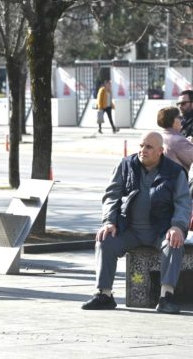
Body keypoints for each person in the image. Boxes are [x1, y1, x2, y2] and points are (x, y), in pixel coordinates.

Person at [81, 132, 191, 314]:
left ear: (160, 151)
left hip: (161, 230)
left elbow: (183, 203)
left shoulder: (175, 171)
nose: (142, 150)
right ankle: (104, 294)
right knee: (104, 240)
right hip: (128, 229)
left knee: (174, 242)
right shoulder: (125, 165)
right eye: (141, 146)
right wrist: (109, 221)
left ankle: (166, 297)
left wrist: (177, 226)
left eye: (148, 147)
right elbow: (111, 196)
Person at [157, 106, 193, 172]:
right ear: (173, 120)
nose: (181, 120)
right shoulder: (179, 141)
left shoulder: (160, 136)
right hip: (180, 181)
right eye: (180, 117)